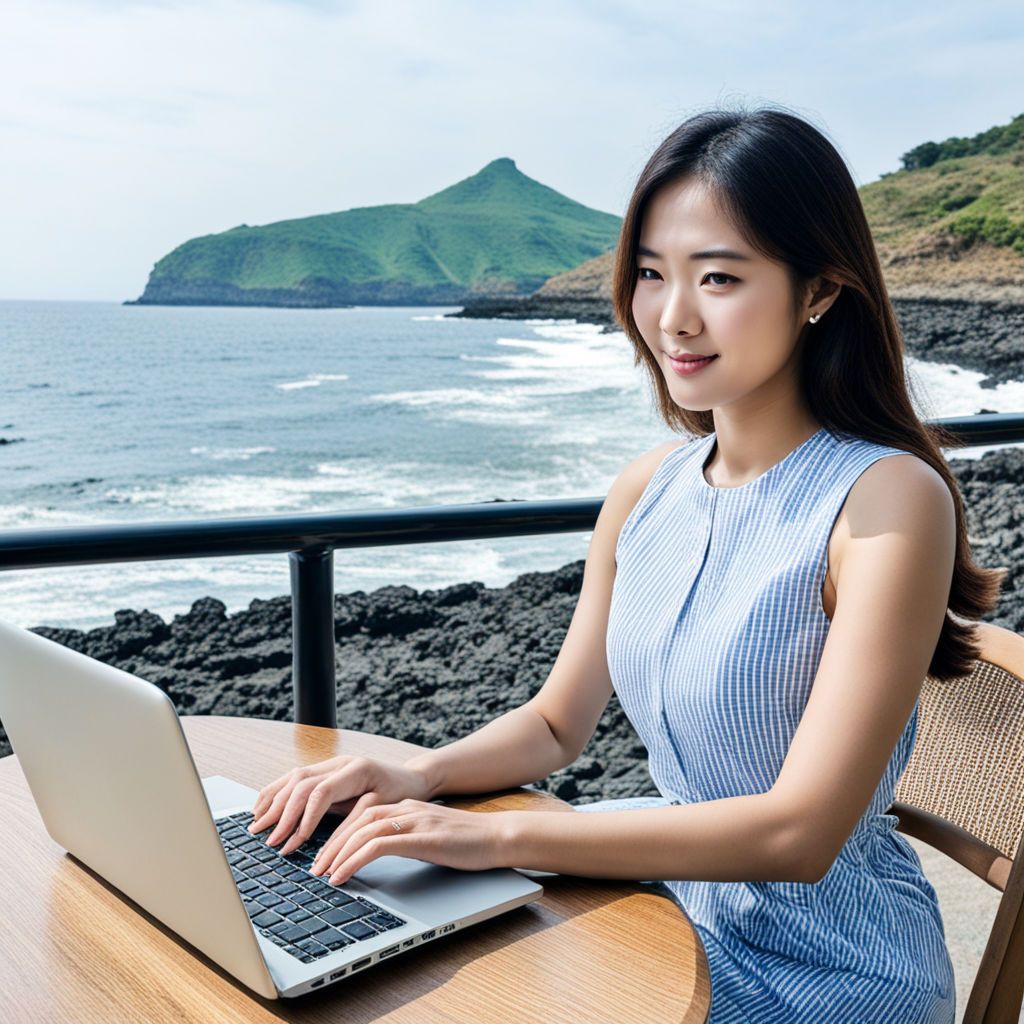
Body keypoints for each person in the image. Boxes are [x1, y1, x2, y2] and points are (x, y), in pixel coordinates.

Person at [247, 104, 1004, 1022]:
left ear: (820, 290)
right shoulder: (647, 488)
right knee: (359, 959)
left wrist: (497, 841)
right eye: (652, 274)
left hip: (829, 971)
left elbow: (800, 835)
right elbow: (557, 728)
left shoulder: (886, 499)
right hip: (666, 904)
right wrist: (421, 775)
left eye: (719, 277)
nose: (673, 317)